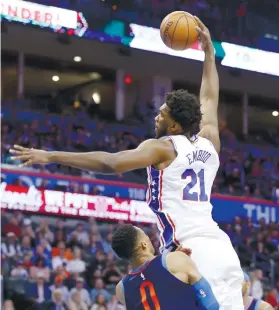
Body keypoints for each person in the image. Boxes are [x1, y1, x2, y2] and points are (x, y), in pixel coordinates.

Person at [10, 16, 243, 309]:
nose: (156, 116)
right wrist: (209, 54)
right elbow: (209, 98)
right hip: (222, 248)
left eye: (162, 114)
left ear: (173, 126)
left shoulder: (163, 148)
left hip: (190, 253)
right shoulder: (210, 141)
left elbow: (111, 162)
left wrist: (53, 156)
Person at [111, 224, 219, 310]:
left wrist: (170, 261)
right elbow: (211, 305)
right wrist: (175, 260)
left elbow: (157, 288)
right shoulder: (175, 260)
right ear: (144, 244)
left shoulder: (121, 289)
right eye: (146, 235)